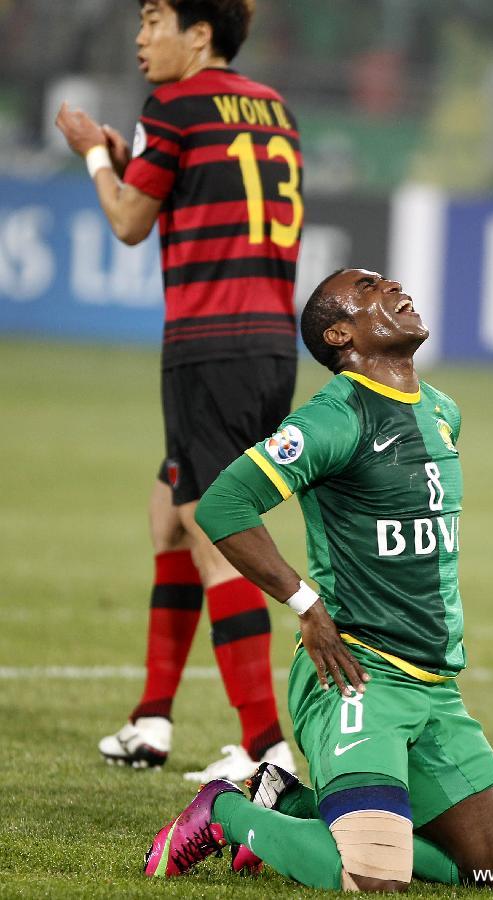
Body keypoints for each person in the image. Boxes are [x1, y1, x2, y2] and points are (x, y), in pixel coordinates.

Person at [142, 268, 493, 890]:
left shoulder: (442, 412)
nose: (394, 284)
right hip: (356, 677)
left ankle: (288, 805)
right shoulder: (335, 418)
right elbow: (222, 507)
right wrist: (306, 603)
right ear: (343, 334)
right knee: (374, 879)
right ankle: (224, 812)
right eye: (371, 287)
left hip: (436, 689)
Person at [55, 0, 303, 781]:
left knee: (213, 534)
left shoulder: (174, 103)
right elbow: (203, 189)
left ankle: (265, 751)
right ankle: (152, 721)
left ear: (200, 33)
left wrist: (97, 155)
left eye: (155, 19)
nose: (140, 37)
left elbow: (132, 221)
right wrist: (133, 157)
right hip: (268, 343)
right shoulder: (272, 108)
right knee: (171, 515)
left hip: (207, 346)